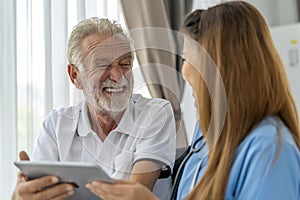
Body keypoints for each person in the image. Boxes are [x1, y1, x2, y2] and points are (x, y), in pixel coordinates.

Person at [86, 1, 300, 200]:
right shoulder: (205, 138)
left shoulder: (269, 148)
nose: (183, 70)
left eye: (187, 58)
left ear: (220, 67)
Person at [12, 17, 176, 200]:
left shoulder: (154, 114)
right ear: (75, 76)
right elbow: (34, 193)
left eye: (125, 64)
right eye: (103, 64)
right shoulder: (56, 125)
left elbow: (134, 194)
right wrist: (22, 196)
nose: (118, 75)